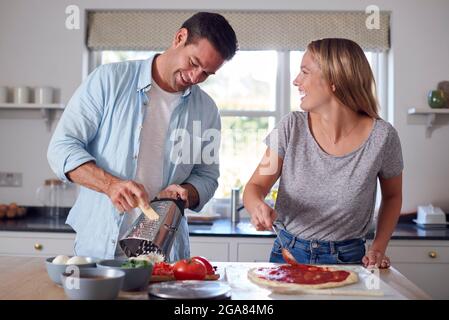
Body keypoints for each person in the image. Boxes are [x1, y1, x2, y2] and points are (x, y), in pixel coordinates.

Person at [47, 12, 238, 261]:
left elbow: (207, 176)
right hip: (98, 247)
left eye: (206, 74)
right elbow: (61, 147)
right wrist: (110, 185)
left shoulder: (207, 110)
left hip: (165, 255)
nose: (195, 77)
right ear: (180, 37)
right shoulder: (108, 80)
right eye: (193, 62)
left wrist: (186, 192)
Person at [243, 38, 403, 269]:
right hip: (287, 255)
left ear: (334, 80)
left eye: (304, 72)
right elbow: (255, 187)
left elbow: (393, 196)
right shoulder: (290, 127)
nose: (296, 80)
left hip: (348, 259)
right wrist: (257, 207)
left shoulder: (382, 136)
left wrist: (378, 248)